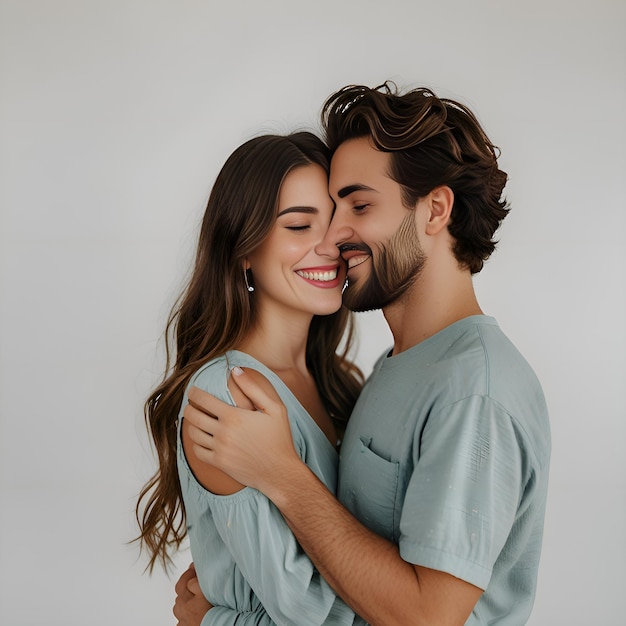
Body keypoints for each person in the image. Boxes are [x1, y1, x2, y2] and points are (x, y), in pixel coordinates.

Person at [179, 83, 551, 625]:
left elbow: (423, 620)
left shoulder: (474, 392)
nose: (336, 236)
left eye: (357, 205)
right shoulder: (381, 374)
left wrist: (218, 620)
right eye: (315, 218)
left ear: (435, 210)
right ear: (242, 250)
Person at [135, 132, 368, 624]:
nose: (330, 246)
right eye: (300, 225)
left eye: (338, 223)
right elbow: (308, 613)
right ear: (243, 249)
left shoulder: (341, 383)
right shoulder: (226, 395)